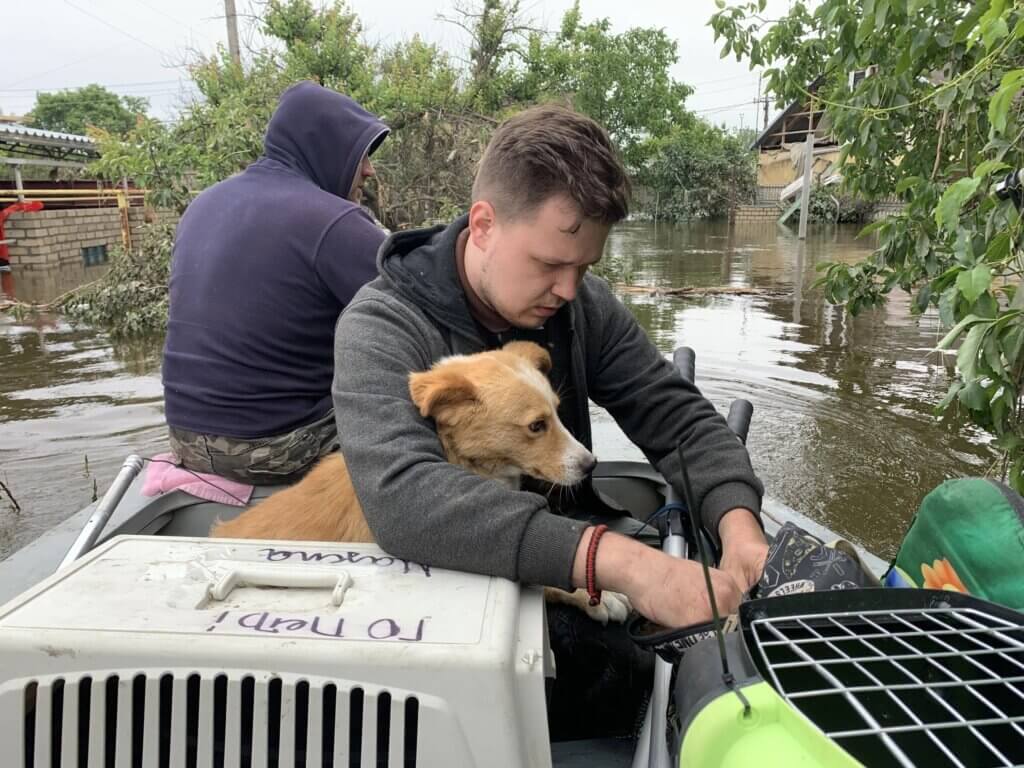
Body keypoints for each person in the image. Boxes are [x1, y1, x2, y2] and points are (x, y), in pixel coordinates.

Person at [331, 105, 768, 734]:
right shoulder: (380, 329)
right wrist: (627, 564)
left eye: (584, 266)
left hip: (568, 556)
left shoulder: (582, 307)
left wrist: (738, 523)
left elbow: (679, 418)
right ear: (483, 225)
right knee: (611, 675)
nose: (568, 290)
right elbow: (402, 499)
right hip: (433, 588)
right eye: (549, 264)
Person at [162, 81, 389, 485]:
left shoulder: (204, 203)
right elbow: (420, 306)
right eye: (362, 154)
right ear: (329, 149)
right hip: (274, 449)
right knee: (438, 403)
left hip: (186, 441)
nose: (369, 170)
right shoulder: (333, 220)